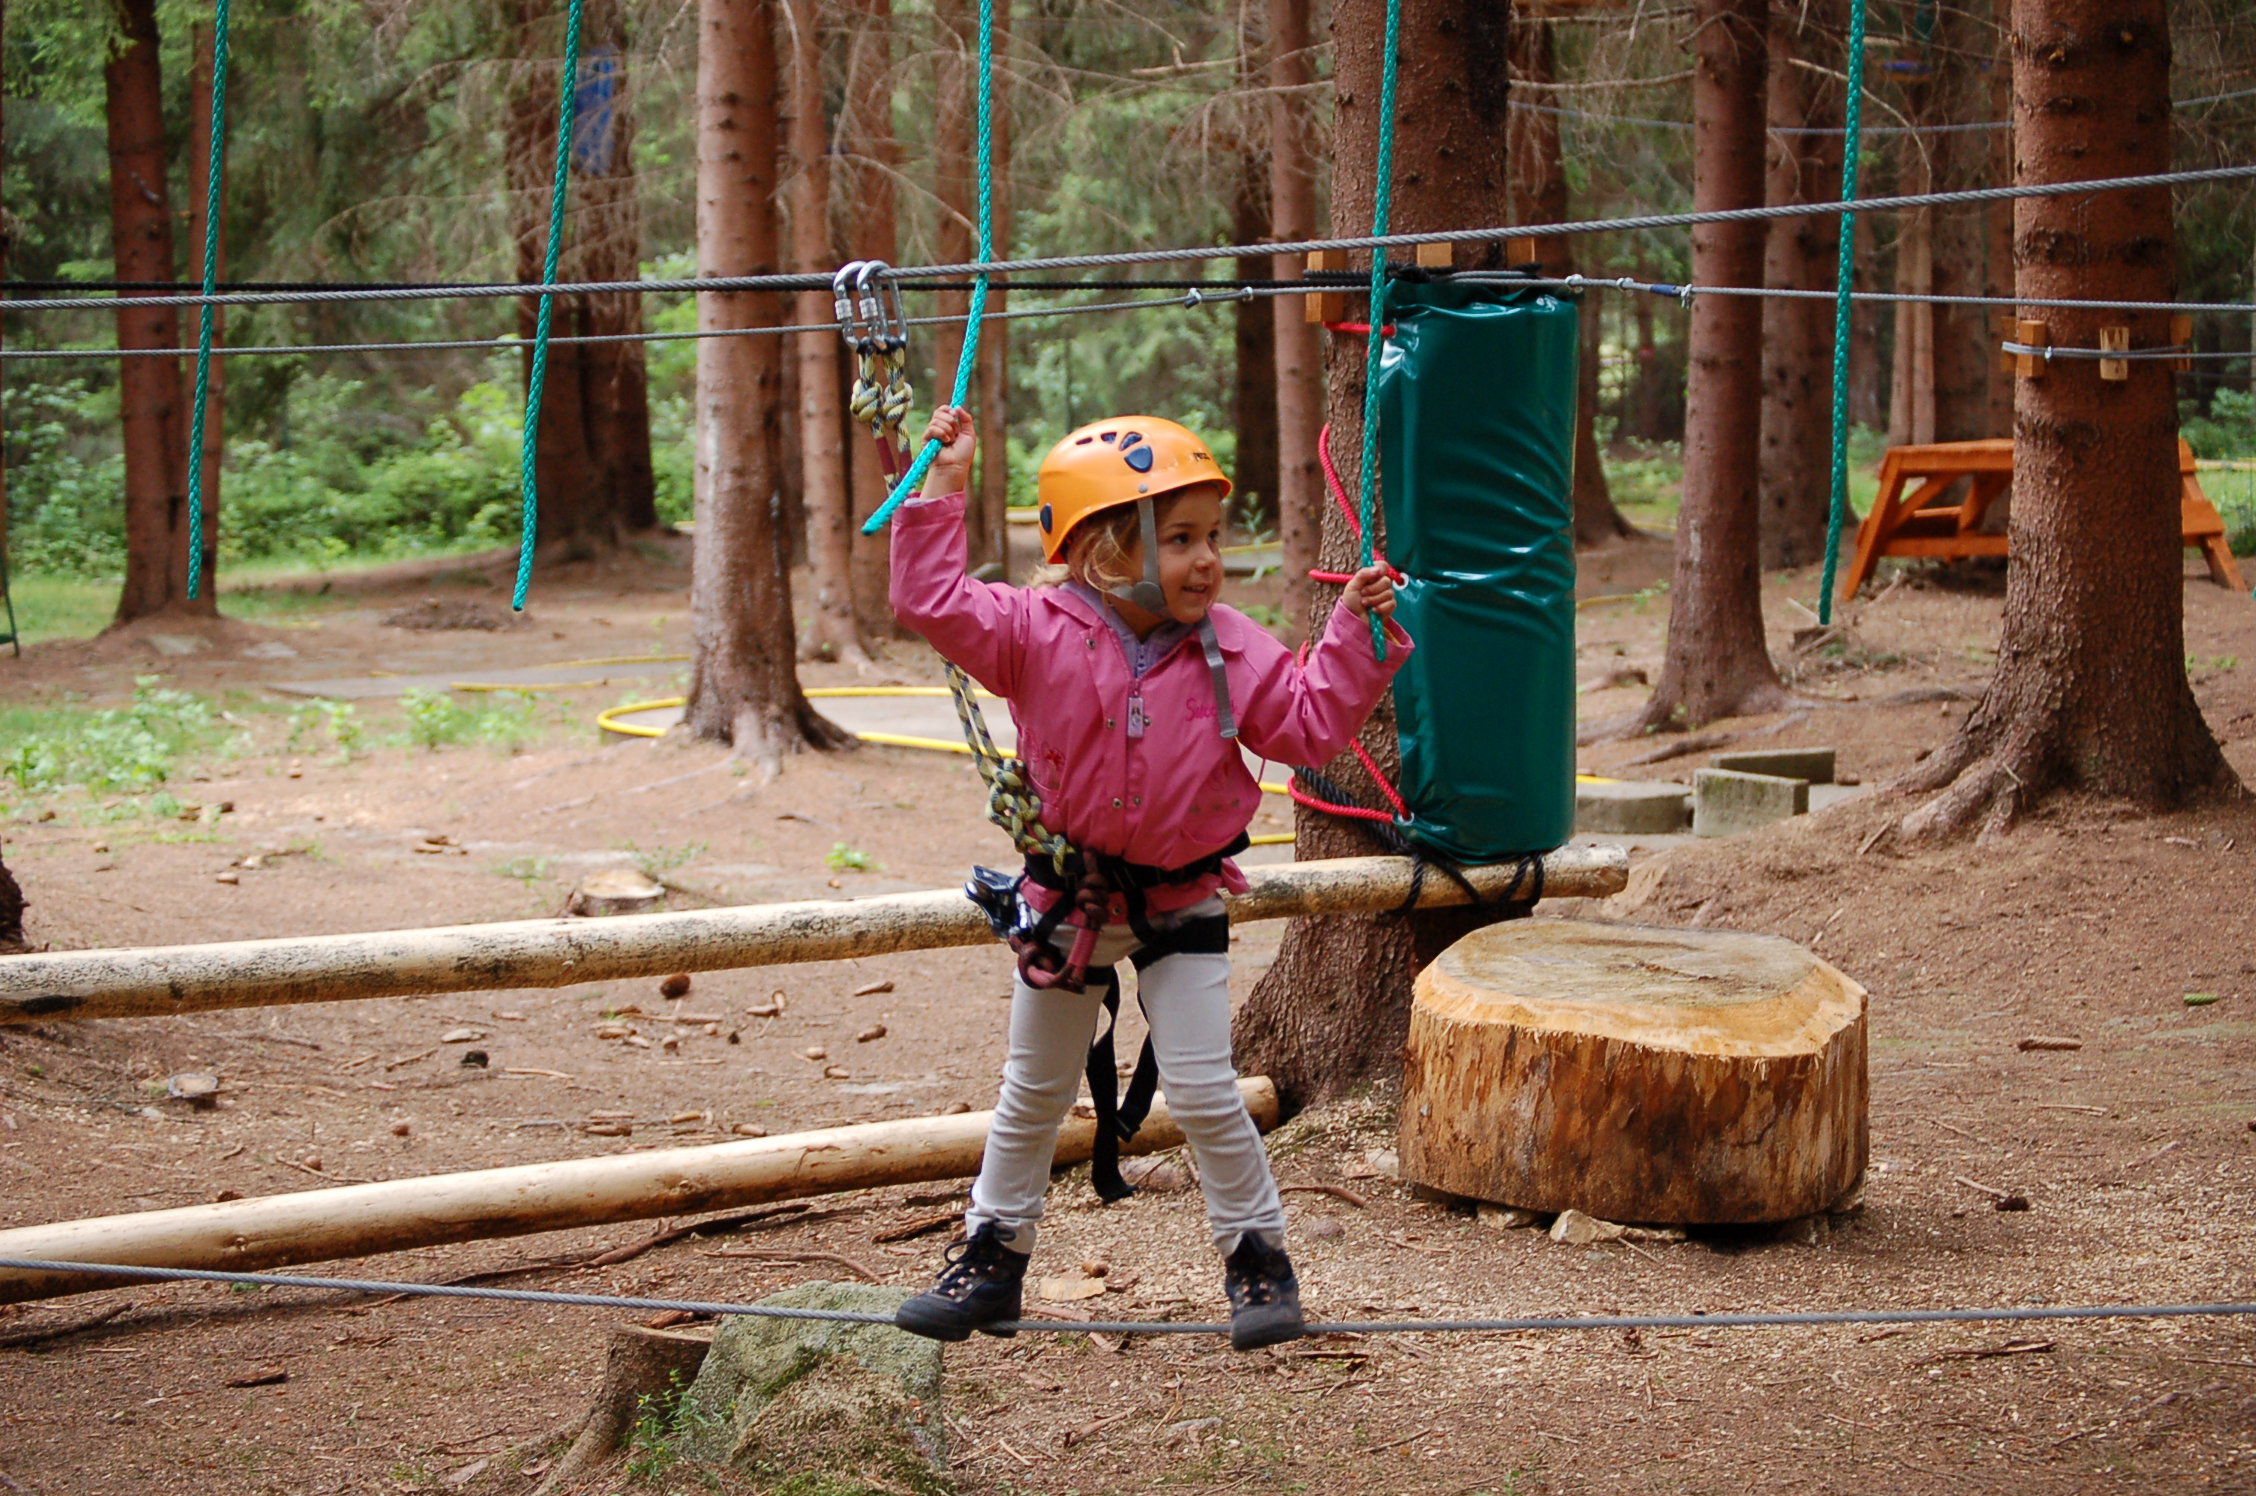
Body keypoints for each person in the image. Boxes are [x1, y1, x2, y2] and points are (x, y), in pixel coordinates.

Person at [887, 406, 1408, 1352]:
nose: (1208, 559)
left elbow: (1303, 728)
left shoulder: (1230, 645)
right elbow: (933, 603)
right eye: (1179, 540)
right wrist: (944, 484)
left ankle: (1259, 1264)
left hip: (1180, 898)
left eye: (1212, 536)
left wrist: (1351, 637)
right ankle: (991, 1260)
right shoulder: (1032, 632)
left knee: (1207, 1091)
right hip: (1068, 901)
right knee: (1033, 1092)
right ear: (1100, 550)